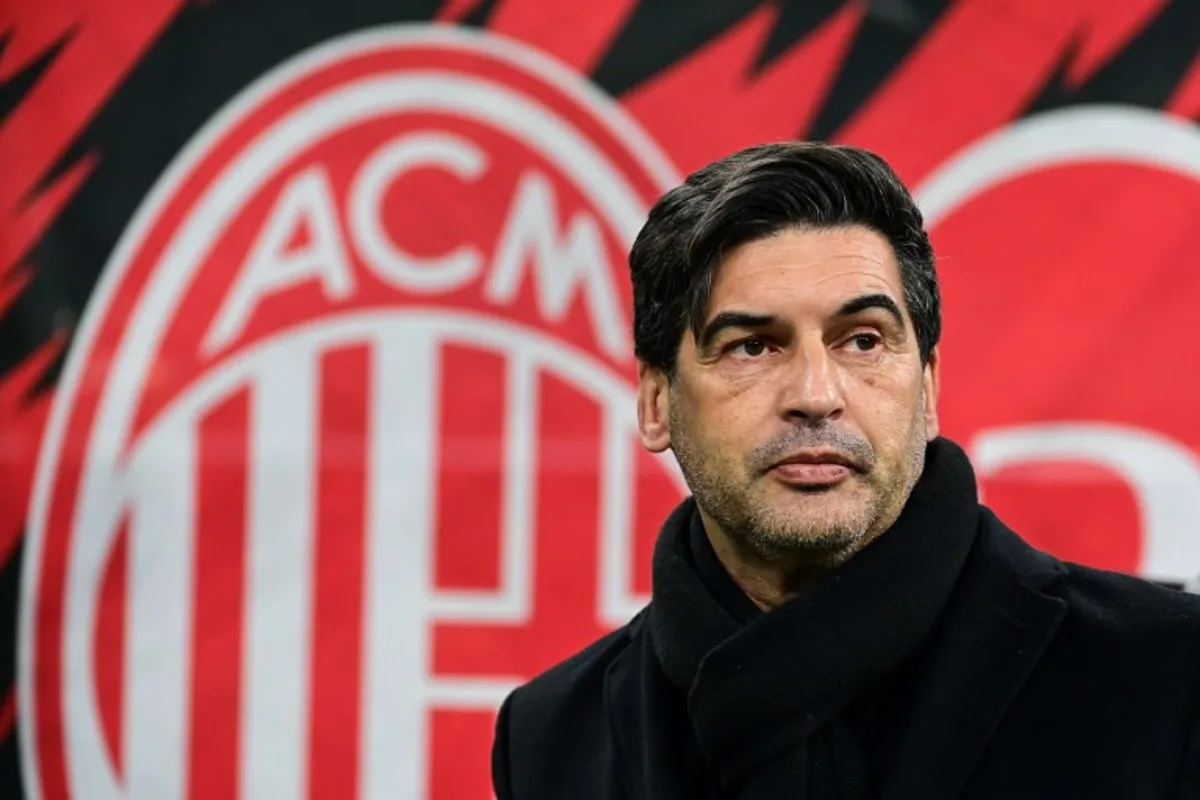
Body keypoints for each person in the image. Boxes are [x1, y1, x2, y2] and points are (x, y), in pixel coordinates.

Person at [489, 142, 1200, 799]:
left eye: (863, 340)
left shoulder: (1166, 674)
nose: (814, 396)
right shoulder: (552, 736)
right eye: (751, 347)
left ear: (925, 389)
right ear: (655, 402)